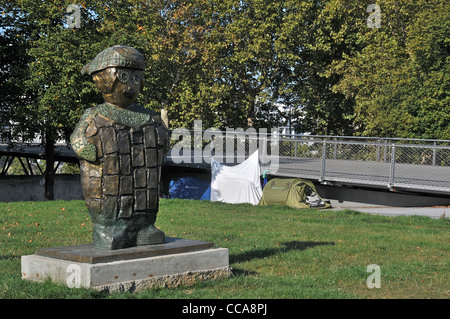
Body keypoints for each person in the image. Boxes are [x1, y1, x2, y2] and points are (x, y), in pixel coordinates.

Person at [71, 45, 169, 249]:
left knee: (146, 187)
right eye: (124, 77)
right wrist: (94, 151)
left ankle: (143, 226)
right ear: (105, 80)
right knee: (111, 191)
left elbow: (163, 146)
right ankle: (107, 228)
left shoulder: (151, 117)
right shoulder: (94, 115)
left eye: (136, 78)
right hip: (109, 185)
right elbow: (79, 142)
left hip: (144, 185)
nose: (130, 86)